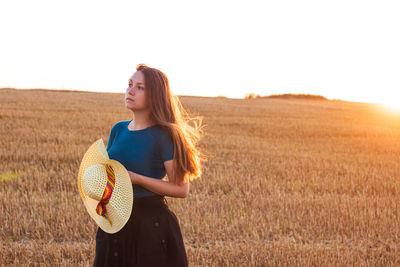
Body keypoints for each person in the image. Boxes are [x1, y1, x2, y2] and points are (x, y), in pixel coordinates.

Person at [93, 64, 205, 267]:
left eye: (140, 87)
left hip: (149, 225)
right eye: (129, 84)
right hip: (114, 220)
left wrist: (136, 178)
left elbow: (181, 189)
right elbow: (110, 174)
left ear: (155, 95)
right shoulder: (118, 129)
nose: (130, 90)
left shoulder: (165, 136)